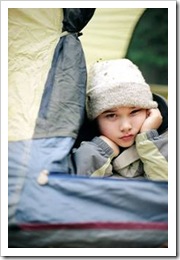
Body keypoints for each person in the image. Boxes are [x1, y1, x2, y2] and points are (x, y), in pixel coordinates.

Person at [72, 59, 168, 180]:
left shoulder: (168, 139)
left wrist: (149, 140)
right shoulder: (80, 148)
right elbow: (77, 189)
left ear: (149, 111)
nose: (126, 126)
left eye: (134, 112)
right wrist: (100, 151)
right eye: (111, 115)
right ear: (95, 120)